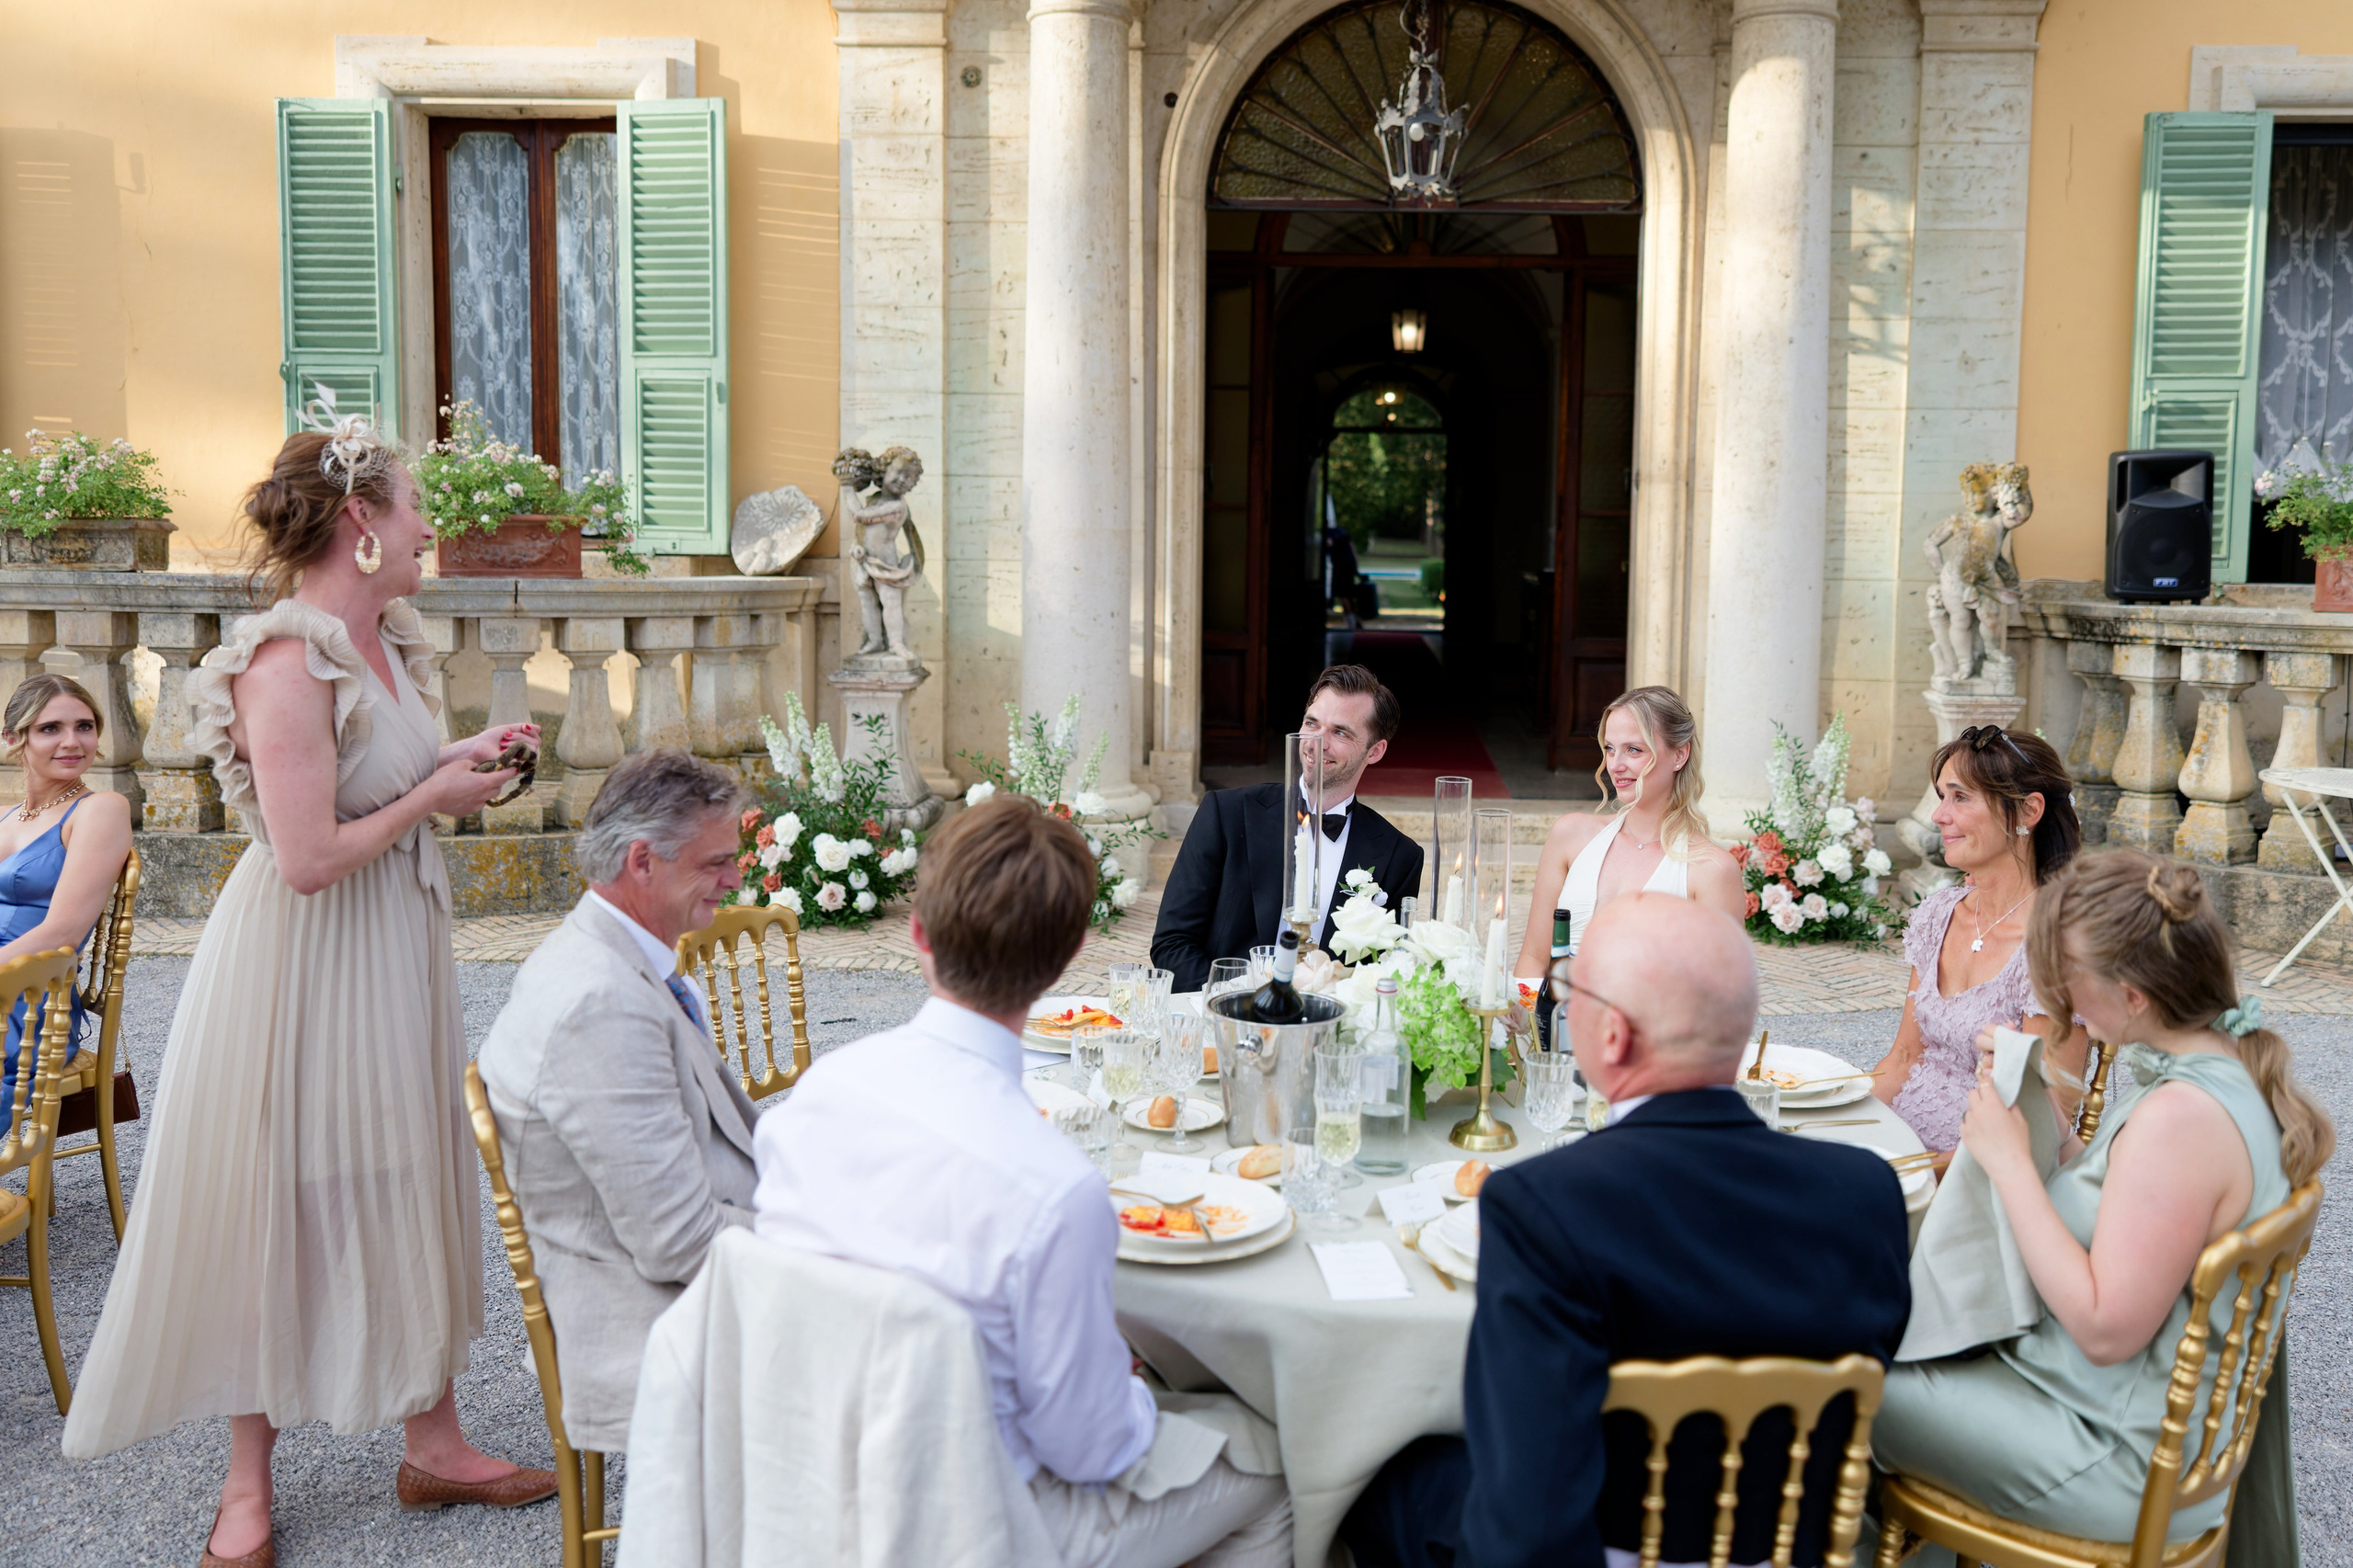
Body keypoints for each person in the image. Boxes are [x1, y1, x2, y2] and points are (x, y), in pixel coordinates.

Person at [63, 416, 553, 1565]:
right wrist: (432, 803)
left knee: (404, 1165)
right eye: (415, 505)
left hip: (391, 947)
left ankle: (432, 1435)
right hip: (303, 959)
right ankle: (245, 1483)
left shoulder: (388, 644)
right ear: (362, 523)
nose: (433, 524)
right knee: (278, 1194)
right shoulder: (284, 663)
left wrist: (457, 757)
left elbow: (373, 783)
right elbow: (307, 856)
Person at [756, 795, 1293, 1567]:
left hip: (806, 1472)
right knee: (1273, 1462)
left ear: (916, 932)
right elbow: (1092, 1449)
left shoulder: (817, 1096)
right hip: (981, 1523)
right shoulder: (1054, 1188)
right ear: (1071, 953)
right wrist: (1155, 1394)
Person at [1346, 892, 1912, 1568]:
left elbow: (1526, 1529)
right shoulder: (1866, 1191)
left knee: (1378, 1476)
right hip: (1789, 1549)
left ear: (1612, 1034)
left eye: (1570, 989)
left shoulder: (1542, 1209)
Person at [1873, 851, 2334, 1547]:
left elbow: (2105, 1327)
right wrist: (2051, 1132)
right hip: (2125, 1428)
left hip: (2112, 1458)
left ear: (2134, 996)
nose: (2057, 1000)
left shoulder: (2179, 1119)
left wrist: (2010, 1167)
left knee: (1841, 1378)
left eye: (2065, 979)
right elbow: (2133, 1205)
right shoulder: (2221, 1070)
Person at [476, 749, 760, 1454]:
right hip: (650, 1324)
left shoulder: (612, 953)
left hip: (678, 1275)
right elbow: (680, 1243)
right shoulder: (598, 1004)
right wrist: (832, 1244)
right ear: (643, 862)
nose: (735, 878)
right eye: (715, 863)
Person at [1870, 725, 2088, 1165]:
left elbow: (2042, 1130)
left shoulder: (2058, 947)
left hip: (1980, 1178)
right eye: (1941, 796)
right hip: (1902, 1145)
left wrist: (1898, 1172)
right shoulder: (1938, 915)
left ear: (2028, 811)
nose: (1938, 816)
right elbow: (1903, 1057)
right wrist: (1837, 1125)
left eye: (1960, 797)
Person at [1154, 665, 1425, 992]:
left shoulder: (1400, 856)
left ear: (1375, 751)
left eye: (1340, 732)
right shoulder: (1225, 814)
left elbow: (1387, 971)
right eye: (1311, 723)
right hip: (1226, 1021)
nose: (1315, 743)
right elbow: (1171, 943)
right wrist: (1239, 999)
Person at [1512, 686, 1745, 976]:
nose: (1616, 765)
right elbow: (1533, 959)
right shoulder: (1570, 836)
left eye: (1633, 749)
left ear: (1679, 755)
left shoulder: (1711, 870)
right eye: (1610, 748)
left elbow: (1721, 997)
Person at [0, 673, 132, 1127]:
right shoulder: (7, 818)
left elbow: (63, 932)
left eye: (85, 726)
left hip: (32, 996)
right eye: (51, 728)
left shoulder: (101, 809)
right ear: (13, 737)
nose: (73, 741)